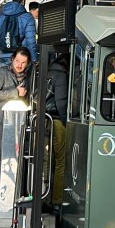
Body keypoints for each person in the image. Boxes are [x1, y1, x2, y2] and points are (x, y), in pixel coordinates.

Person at [0, 47, 32, 214]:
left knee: (15, 163)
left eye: (23, 62)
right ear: (12, 60)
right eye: (17, 61)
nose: (19, 65)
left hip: (17, 125)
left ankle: (10, 198)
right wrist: (15, 92)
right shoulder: (2, 73)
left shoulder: (29, 77)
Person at [45, 47, 69, 206]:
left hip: (42, 119)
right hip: (56, 120)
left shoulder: (46, 71)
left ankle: (42, 196)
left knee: (45, 161)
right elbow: (61, 102)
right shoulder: (61, 75)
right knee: (61, 161)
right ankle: (57, 199)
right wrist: (66, 121)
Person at [0, 0, 29, 65]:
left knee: (5, 72)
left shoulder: (0, 16)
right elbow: (29, 39)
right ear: (23, 1)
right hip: (20, 56)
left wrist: (2, 47)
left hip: (4, 55)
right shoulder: (25, 17)